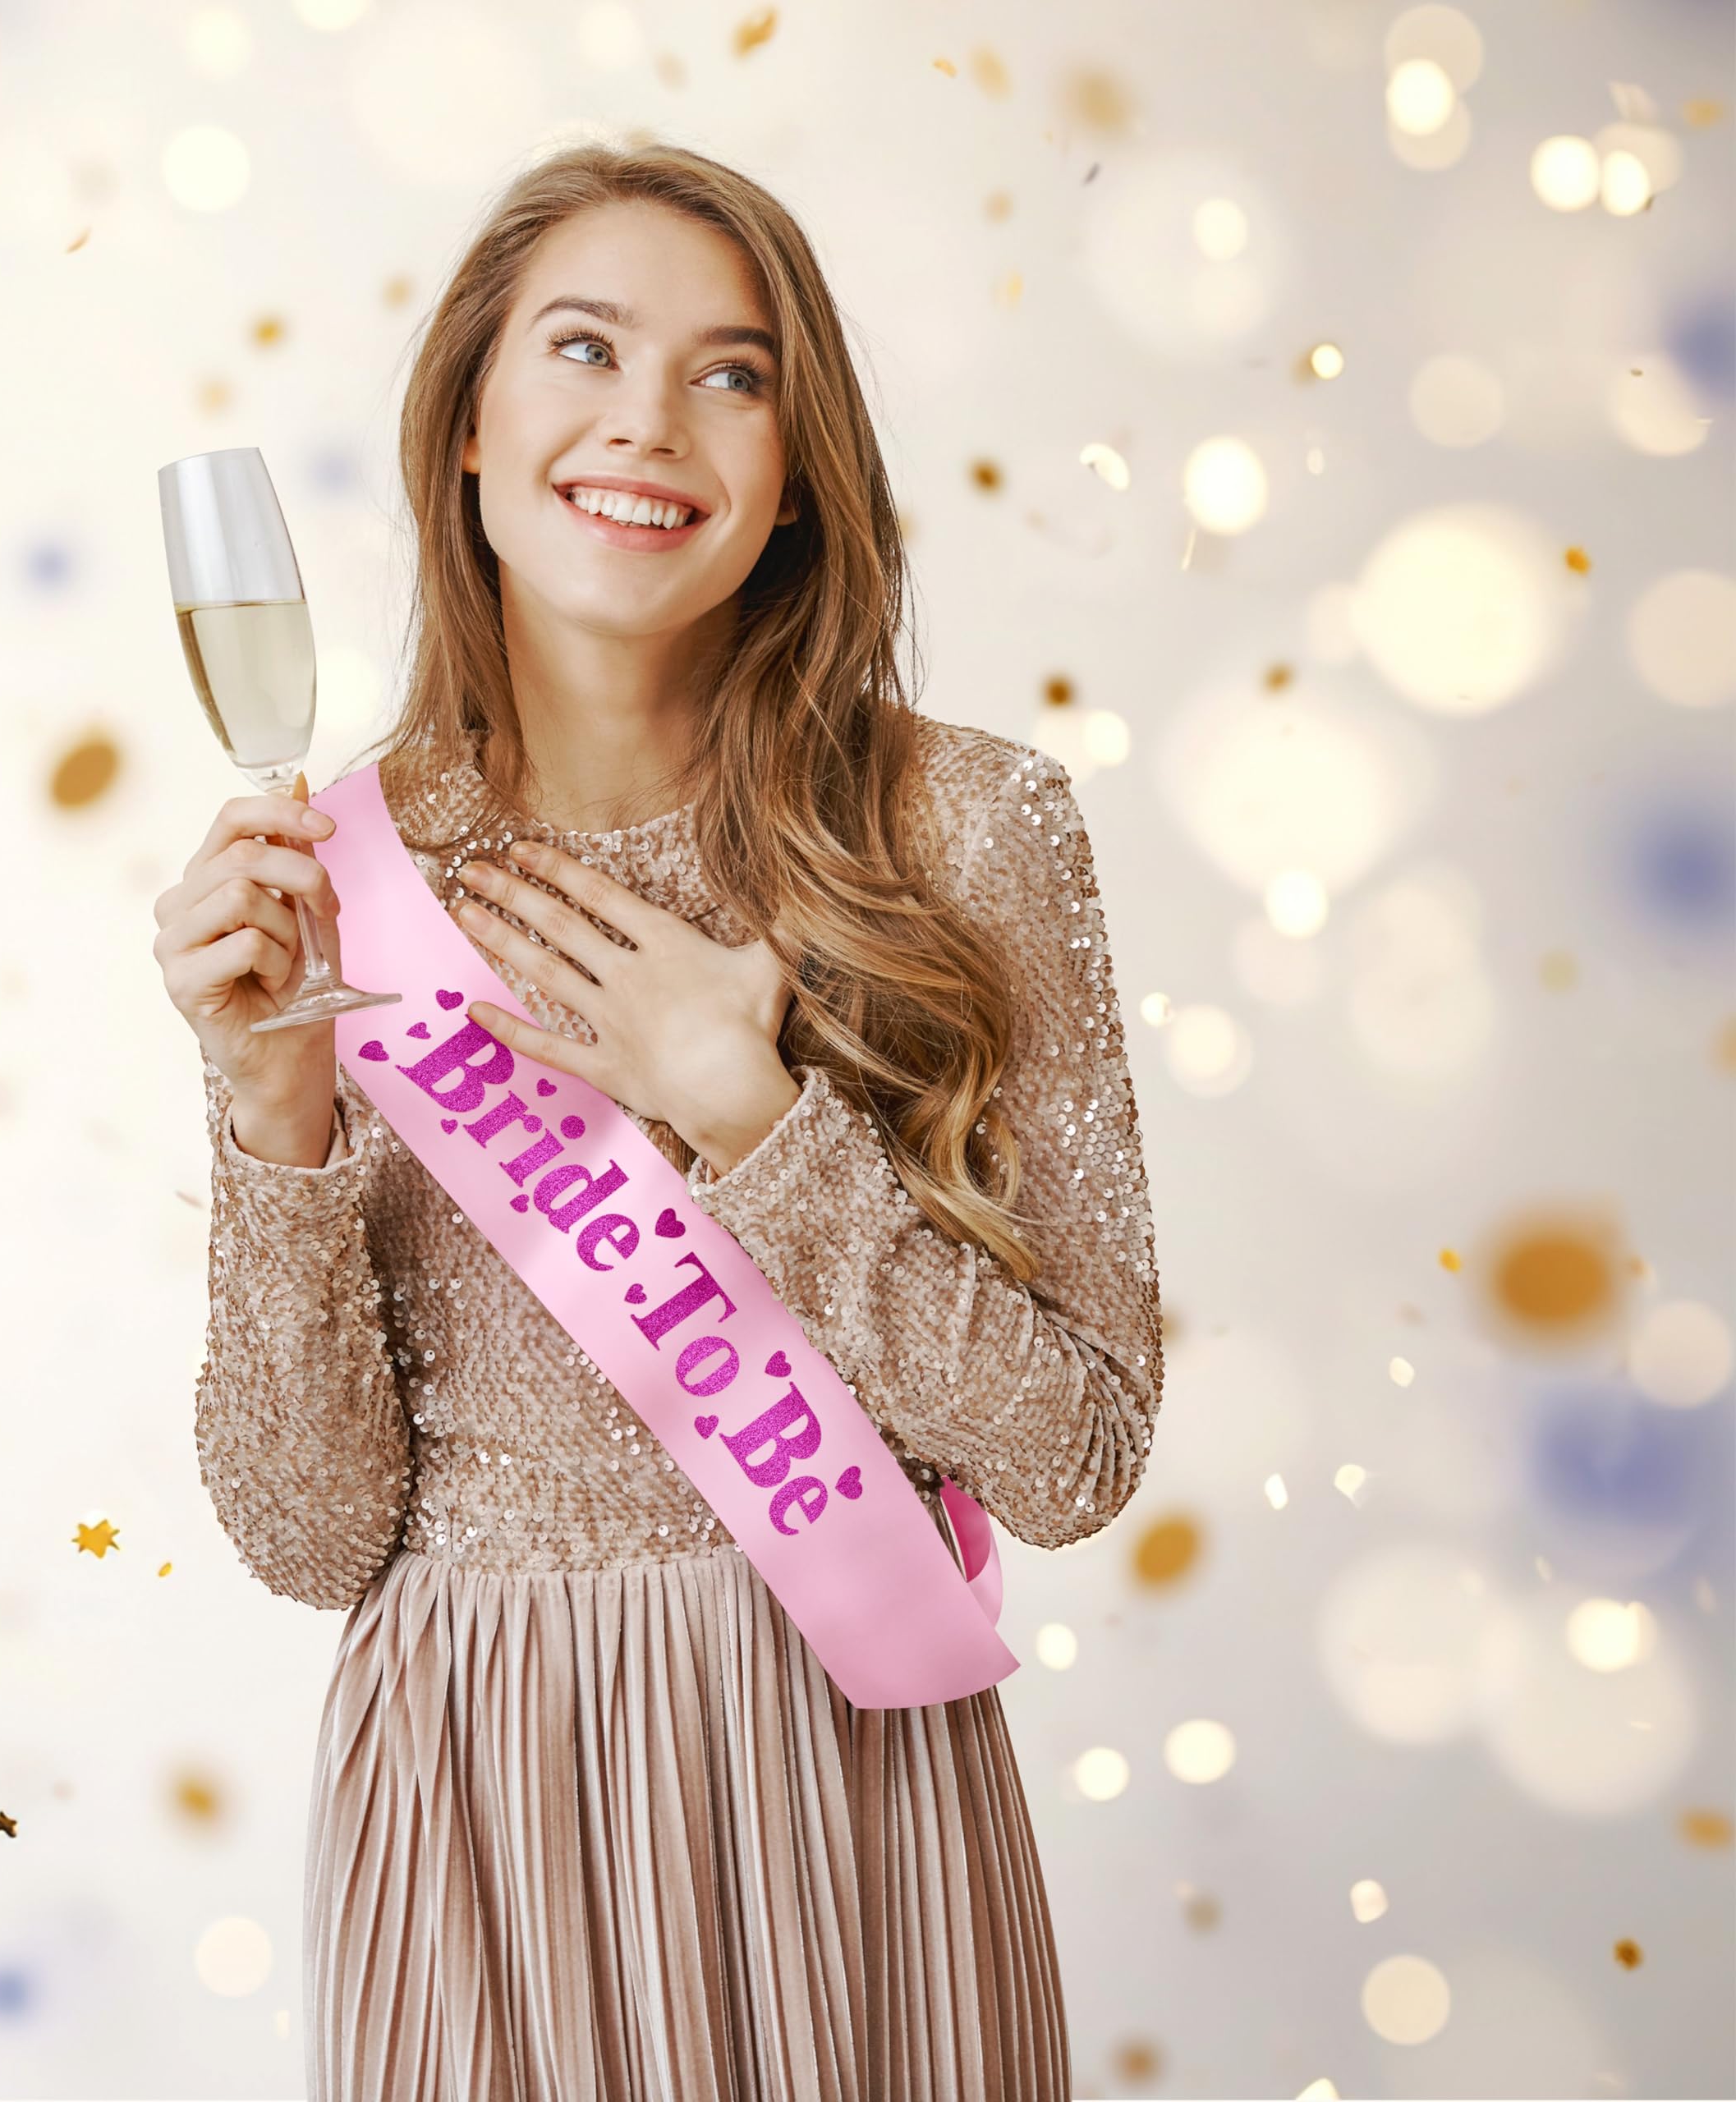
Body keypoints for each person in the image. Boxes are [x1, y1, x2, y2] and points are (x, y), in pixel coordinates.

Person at [152, 138, 1163, 2102]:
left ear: (797, 462)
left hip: (836, 1751)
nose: (648, 424)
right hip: (476, 1789)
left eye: (731, 371)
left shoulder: (964, 824)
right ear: (464, 420)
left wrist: (752, 1114)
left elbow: (1074, 1452)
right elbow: (305, 1533)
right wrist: (270, 1118)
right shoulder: (340, 883)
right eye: (584, 349)